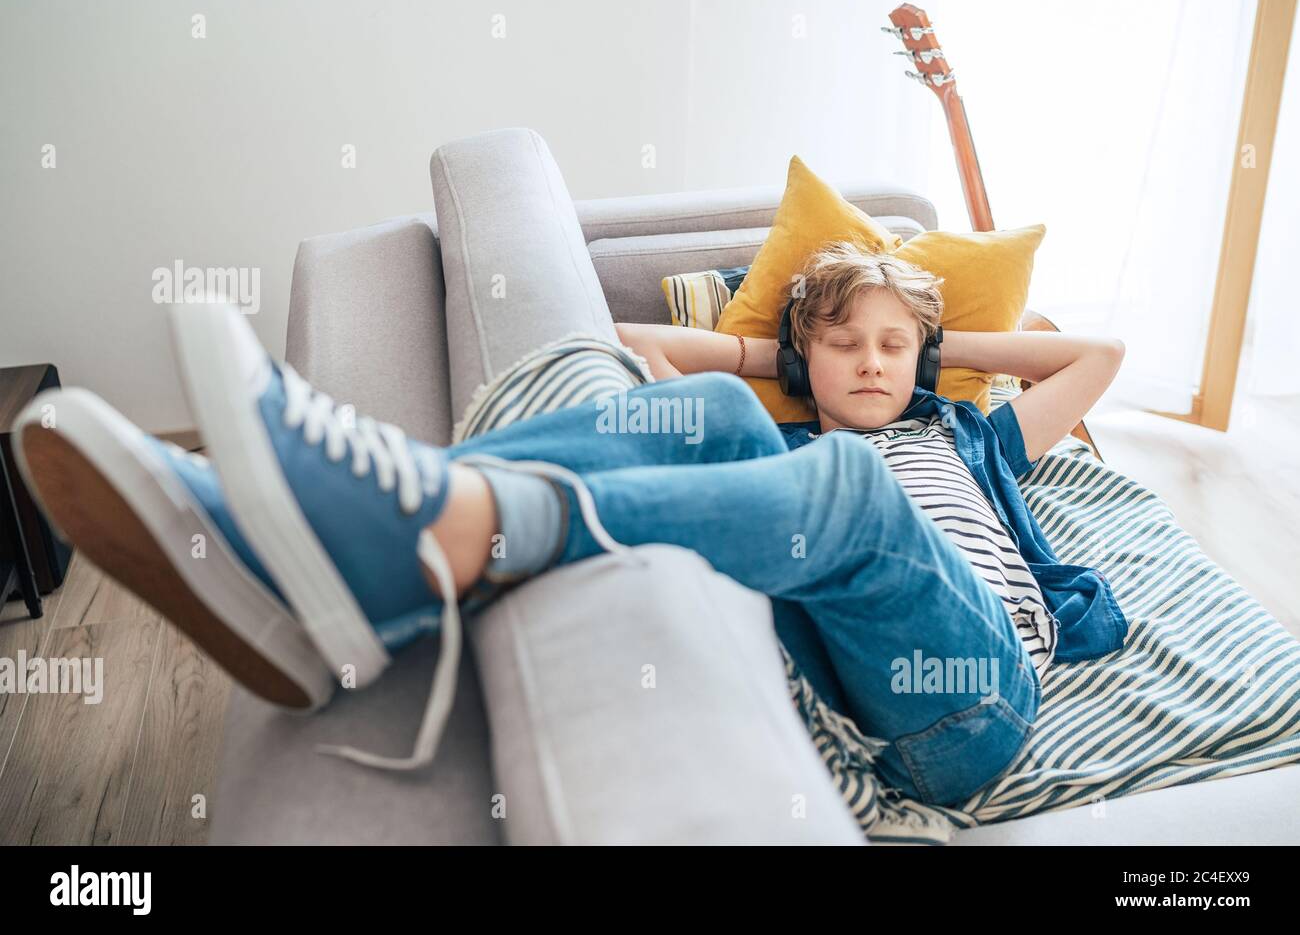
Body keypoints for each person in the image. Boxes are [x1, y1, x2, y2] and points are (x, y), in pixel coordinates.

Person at [11, 243, 1126, 807]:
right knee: (719, 416)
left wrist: (944, 350)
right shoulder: (779, 460)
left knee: (847, 480)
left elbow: (1098, 359)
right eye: (846, 343)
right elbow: (619, 338)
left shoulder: (970, 441)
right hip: (848, 656)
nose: (875, 361)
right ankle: (309, 559)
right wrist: (760, 362)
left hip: (974, 696)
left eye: (895, 344)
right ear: (809, 357)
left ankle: (450, 524)